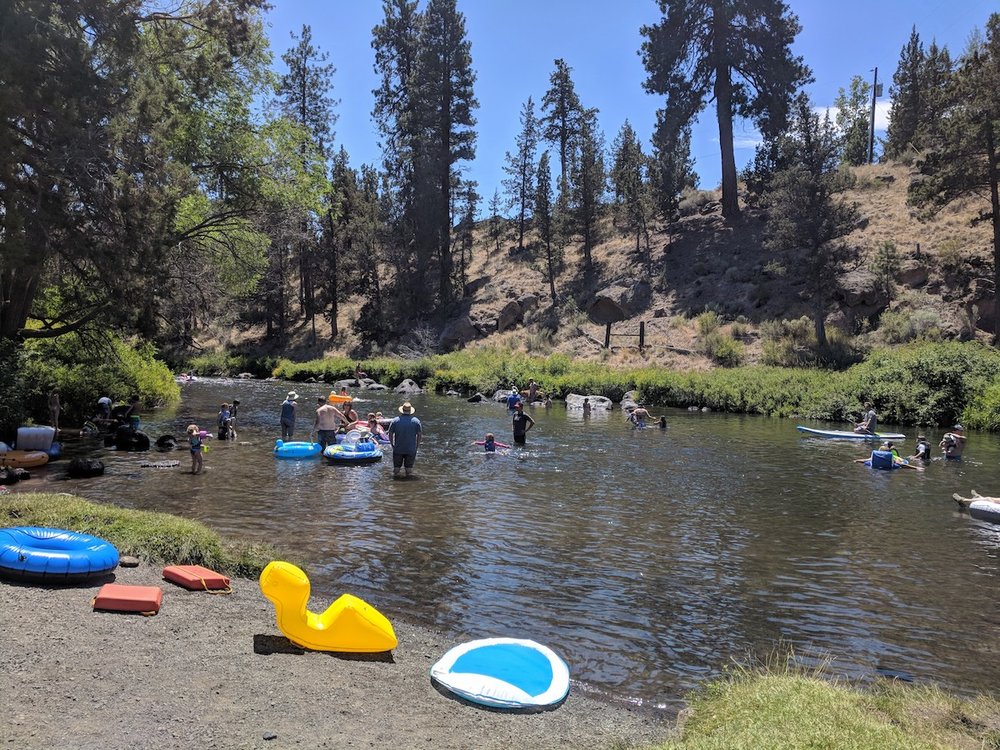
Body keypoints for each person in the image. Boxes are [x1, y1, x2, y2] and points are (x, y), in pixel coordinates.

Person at [387, 401, 422, 478]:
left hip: (398, 448)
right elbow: (419, 435)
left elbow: (390, 433)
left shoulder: (395, 421)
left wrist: (392, 444)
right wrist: (417, 446)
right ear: (410, 411)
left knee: (396, 470)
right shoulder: (416, 421)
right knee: (409, 470)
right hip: (410, 449)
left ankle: (396, 483)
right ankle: (408, 484)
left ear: (402, 410)